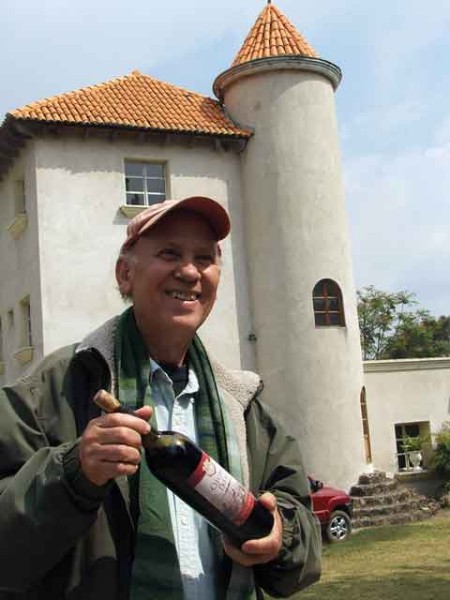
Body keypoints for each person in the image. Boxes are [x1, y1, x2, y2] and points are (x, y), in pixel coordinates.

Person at [0, 196, 321, 599]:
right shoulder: (48, 393)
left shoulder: (244, 406)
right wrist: (73, 474)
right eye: (170, 253)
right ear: (125, 275)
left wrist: (279, 534)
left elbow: (304, 541)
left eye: (204, 258)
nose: (189, 271)